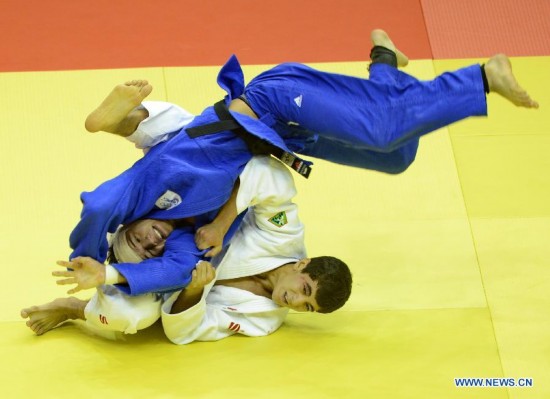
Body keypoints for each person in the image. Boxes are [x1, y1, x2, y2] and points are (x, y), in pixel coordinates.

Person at [66, 29, 538, 296]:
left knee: (382, 128)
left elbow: (100, 205)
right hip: (282, 137)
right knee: (397, 156)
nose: (150, 240)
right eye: (151, 250)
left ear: (129, 224)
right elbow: (170, 274)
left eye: (136, 238)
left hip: (268, 103)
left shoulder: (136, 192)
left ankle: (479, 78)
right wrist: (109, 277)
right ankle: (385, 63)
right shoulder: (196, 242)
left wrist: (84, 258)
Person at [21, 156, 353, 343]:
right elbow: (267, 172)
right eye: (305, 290)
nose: (295, 302)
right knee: (187, 144)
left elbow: (183, 332)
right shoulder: (284, 234)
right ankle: (133, 122)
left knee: (133, 319)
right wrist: (221, 226)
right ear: (302, 264)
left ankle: (73, 309)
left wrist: (194, 292)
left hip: (159, 281)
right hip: (167, 221)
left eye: (307, 307)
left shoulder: (264, 320)